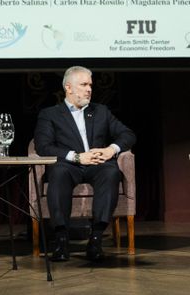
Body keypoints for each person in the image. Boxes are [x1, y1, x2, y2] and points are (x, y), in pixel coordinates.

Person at [34, 66, 137, 262]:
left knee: (111, 172)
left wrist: (111, 149)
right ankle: (61, 240)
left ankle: (96, 239)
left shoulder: (101, 111)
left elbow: (128, 134)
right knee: (58, 174)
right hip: (68, 164)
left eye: (90, 85)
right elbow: (42, 146)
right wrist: (77, 157)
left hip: (97, 163)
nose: (89, 89)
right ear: (68, 88)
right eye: (83, 85)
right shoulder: (50, 114)